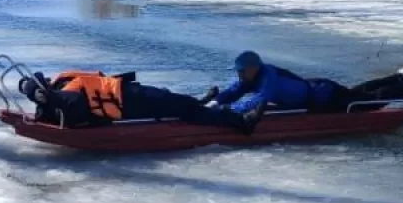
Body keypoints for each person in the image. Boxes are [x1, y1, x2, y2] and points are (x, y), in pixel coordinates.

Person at [17, 69, 260, 133]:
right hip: (126, 102)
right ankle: (240, 121)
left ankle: (197, 102)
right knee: (177, 107)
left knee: (171, 99)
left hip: (126, 93)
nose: (48, 78)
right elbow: (81, 112)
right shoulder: (62, 97)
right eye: (43, 81)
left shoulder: (60, 86)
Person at [207, 50, 403, 117]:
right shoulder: (250, 78)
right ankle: (397, 79)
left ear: (253, 68)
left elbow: (259, 99)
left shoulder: (268, 77)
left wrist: (230, 111)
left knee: (366, 102)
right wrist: (216, 102)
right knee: (359, 93)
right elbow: (234, 91)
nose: (239, 76)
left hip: (322, 97)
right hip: (319, 89)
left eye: (241, 71)